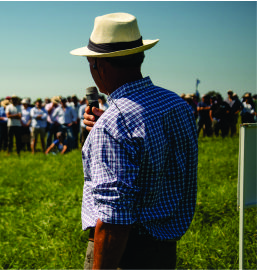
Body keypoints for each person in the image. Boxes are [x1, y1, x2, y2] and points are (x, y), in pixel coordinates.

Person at [71, 12, 198, 269]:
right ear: (139, 56)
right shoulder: (176, 104)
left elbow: (113, 219)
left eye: (90, 63)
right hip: (163, 246)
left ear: (99, 65)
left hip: (123, 253)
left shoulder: (114, 123)